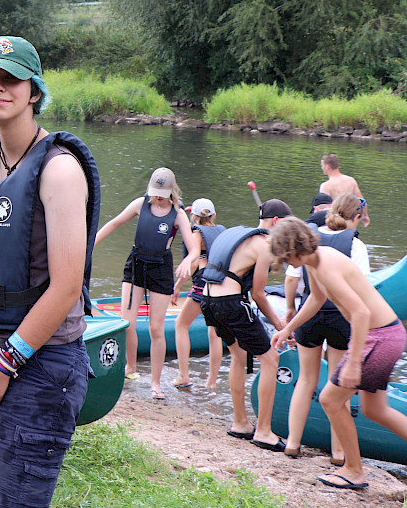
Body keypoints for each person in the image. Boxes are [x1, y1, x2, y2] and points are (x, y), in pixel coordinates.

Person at [0, 34, 99, 508]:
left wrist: (6, 363)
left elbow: (68, 286)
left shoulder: (59, 169)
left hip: (41, 359)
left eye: (11, 79)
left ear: (35, 91)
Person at [271, 218, 407, 496]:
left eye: (287, 256)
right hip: (387, 333)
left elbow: (360, 312)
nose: (287, 263)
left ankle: (353, 470)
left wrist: (351, 361)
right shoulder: (317, 261)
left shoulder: (324, 265)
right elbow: (315, 300)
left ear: (295, 248)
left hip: (379, 336)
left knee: (330, 398)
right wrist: (287, 328)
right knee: (375, 409)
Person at [94, 167, 198, 399]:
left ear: (172, 191)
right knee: (127, 323)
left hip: (161, 268)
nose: (158, 196)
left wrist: (188, 262)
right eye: (155, 191)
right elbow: (113, 224)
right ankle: (129, 368)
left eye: (162, 192)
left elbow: (194, 249)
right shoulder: (139, 205)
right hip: (136, 265)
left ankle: (155, 383)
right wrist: (91, 244)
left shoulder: (178, 214)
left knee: (155, 328)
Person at [281, 193, 370, 462]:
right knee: (336, 385)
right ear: (356, 217)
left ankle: (293, 444)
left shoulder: (309, 239)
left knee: (305, 380)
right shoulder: (355, 245)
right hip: (339, 316)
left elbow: (291, 278)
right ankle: (338, 452)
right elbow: (363, 288)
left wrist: (289, 311)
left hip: (309, 313)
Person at [199, 199, 289, 449]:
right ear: (276, 222)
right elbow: (259, 294)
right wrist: (280, 324)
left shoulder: (238, 234)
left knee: (238, 356)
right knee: (271, 359)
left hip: (207, 300)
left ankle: (240, 423)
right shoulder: (264, 244)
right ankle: (263, 431)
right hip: (230, 303)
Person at [172, 198, 224, 393]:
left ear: (193, 216)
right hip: (221, 286)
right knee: (214, 332)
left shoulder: (196, 233)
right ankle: (212, 382)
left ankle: (183, 376)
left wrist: (177, 287)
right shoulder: (221, 230)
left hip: (203, 285)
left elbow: (193, 263)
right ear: (214, 215)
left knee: (181, 324)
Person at [319, 154, 369, 226]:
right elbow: (361, 201)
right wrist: (365, 216)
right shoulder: (350, 180)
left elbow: (324, 208)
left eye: (322, 165)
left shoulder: (326, 186)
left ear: (327, 167)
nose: (322, 168)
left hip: (335, 221)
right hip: (350, 220)